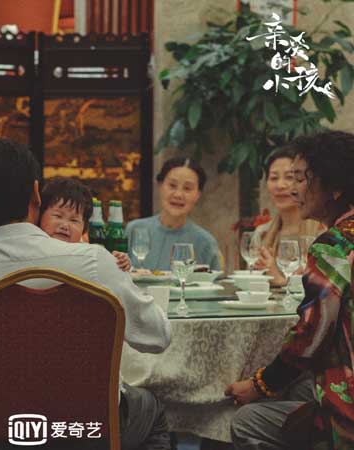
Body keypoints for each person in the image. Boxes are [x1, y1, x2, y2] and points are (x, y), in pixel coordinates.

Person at [0, 139, 171, 450]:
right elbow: (158, 337)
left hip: (6, 434)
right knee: (152, 409)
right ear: (36, 194)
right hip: (88, 430)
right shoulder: (94, 262)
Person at [225, 131, 354, 450]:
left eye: (301, 179)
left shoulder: (335, 245)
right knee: (300, 390)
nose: (294, 189)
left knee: (245, 420)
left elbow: (311, 334)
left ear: (335, 187)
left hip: (347, 410)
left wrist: (258, 385)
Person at [126, 157, 220, 271]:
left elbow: (215, 281)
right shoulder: (135, 230)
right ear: (160, 186)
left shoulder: (205, 242)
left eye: (187, 188)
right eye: (172, 185)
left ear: (198, 195)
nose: (178, 194)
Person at [253, 148, 323, 285]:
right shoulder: (262, 233)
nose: (280, 185)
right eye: (274, 178)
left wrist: (280, 280)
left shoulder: (321, 233)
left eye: (290, 177)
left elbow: (326, 291)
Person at [39, 176, 131, 271]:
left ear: (84, 228)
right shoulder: (33, 249)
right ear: (40, 215)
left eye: (74, 220)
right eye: (58, 216)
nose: (65, 225)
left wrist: (120, 261)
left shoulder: (88, 256)